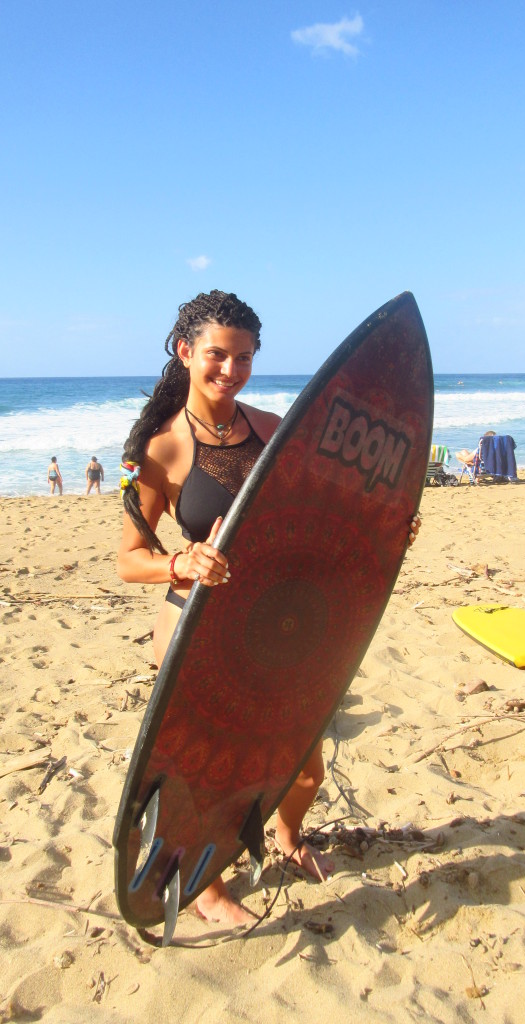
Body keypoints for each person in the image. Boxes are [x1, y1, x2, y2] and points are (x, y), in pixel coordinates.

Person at [117, 289, 420, 927]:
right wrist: (183, 561)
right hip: (199, 626)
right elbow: (128, 558)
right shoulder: (160, 448)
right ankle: (207, 886)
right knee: (211, 767)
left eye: (245, 358)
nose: (231, 370)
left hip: (281, 619)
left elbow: (325, 511)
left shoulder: (275, 429)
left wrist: (387, 524)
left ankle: (287, 833)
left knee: (302, 764)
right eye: (217, 356)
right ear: (185, 352)